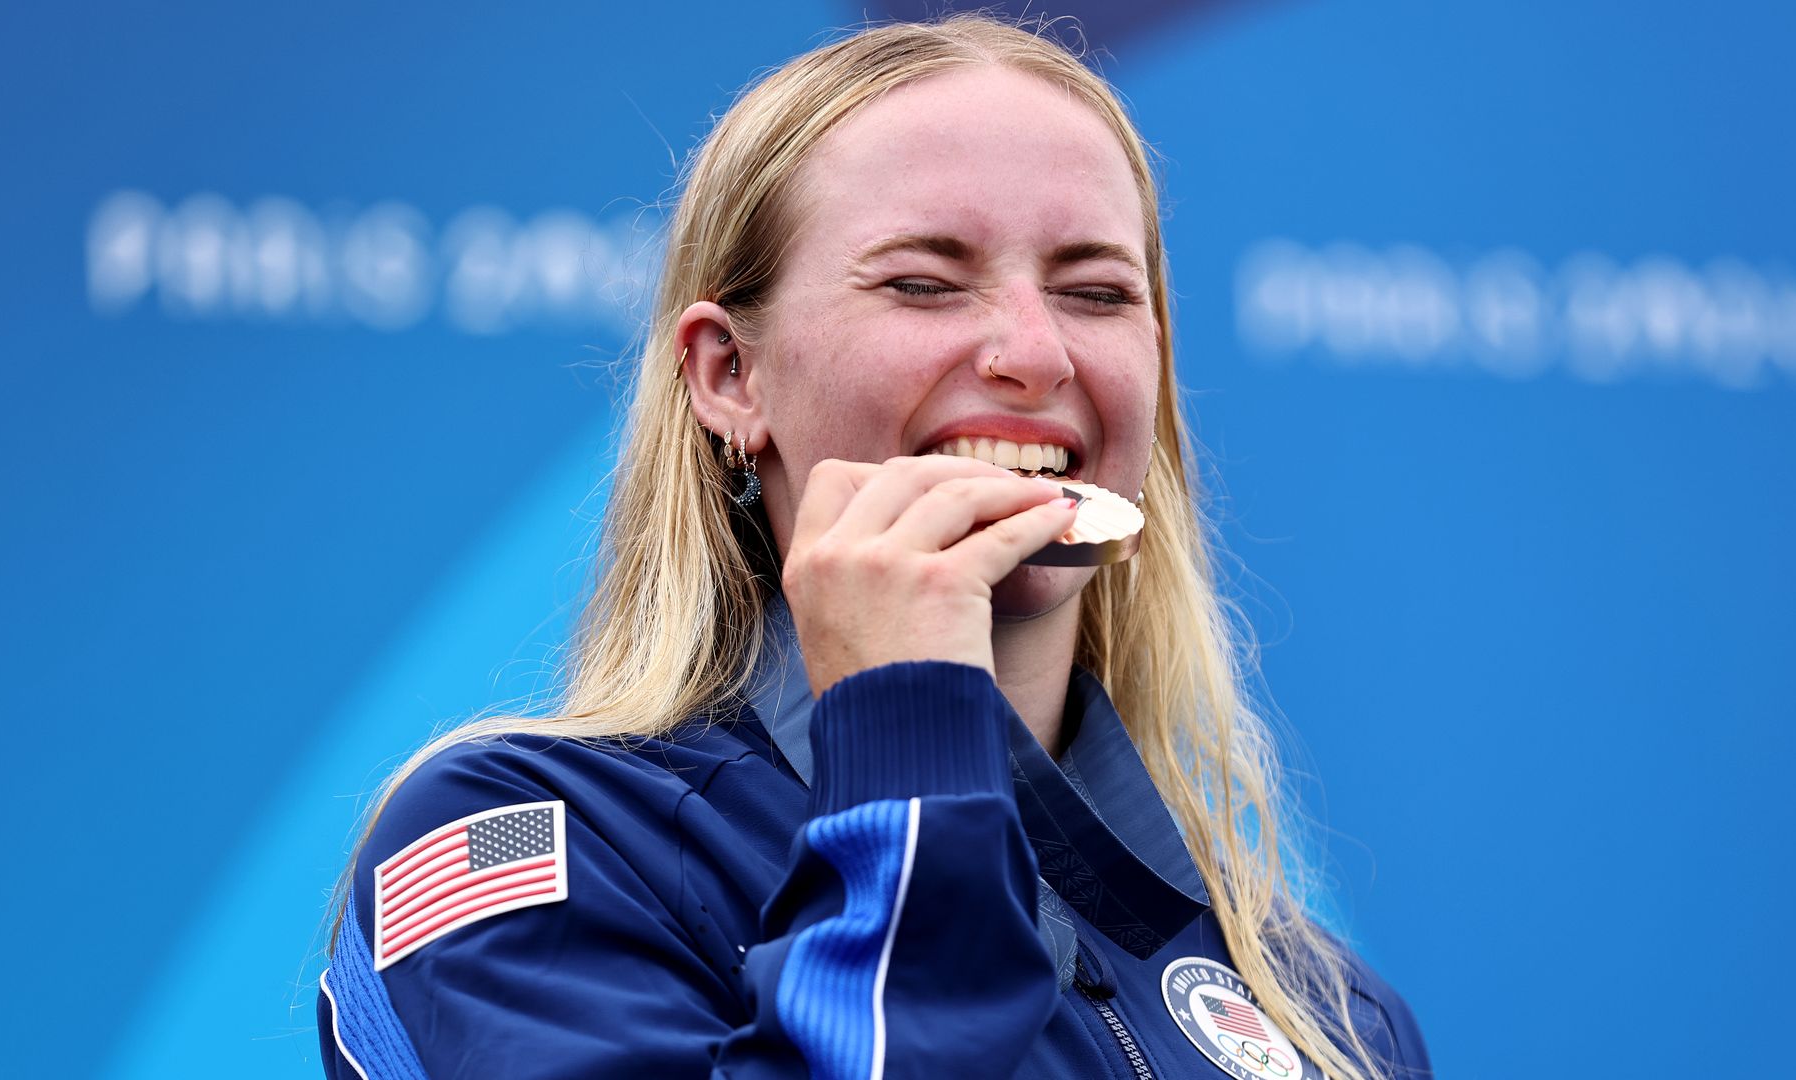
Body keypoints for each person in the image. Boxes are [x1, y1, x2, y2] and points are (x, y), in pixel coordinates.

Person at [317, 15, 1432, 1080]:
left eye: (1097, 292)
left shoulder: (1325, 1013)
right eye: (922, 283)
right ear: (729, 376)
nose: (1035, 353)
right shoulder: (529, 850)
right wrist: (906, 732)